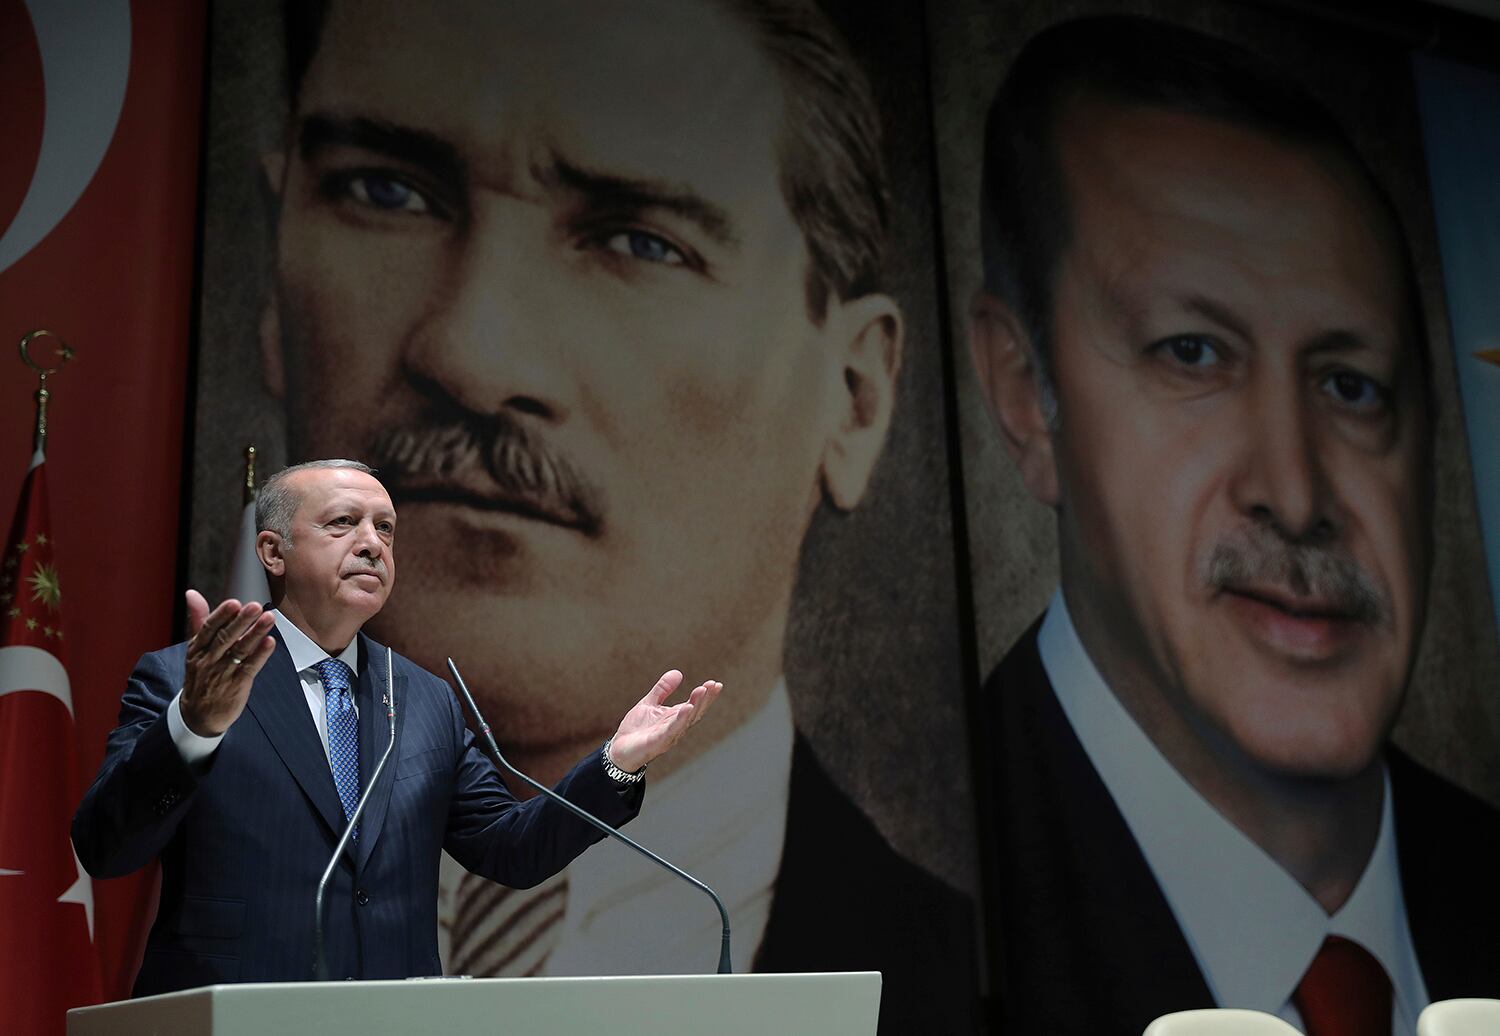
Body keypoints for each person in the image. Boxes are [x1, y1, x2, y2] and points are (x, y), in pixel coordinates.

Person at [251, 0, 977, 1030]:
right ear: (276, 299)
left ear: (853, 398)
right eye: (387, 192)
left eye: (640, 240)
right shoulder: (182, 899)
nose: (472, 350)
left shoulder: (968, 984)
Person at [967, 14, 1500, 1035]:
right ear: (1027, 394)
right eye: (1193, 355)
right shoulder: (914, 900)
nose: (1296, 496)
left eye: (1351, 384)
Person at [72, 460, 721, 992]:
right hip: (235, 1012)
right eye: (343, 523)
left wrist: (617, 764)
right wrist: (193, 727)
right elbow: (106, 848)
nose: (372, 543)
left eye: (386, 528)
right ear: (272, 551)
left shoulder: (421, 697)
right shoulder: (186, 683)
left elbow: (511, 850)